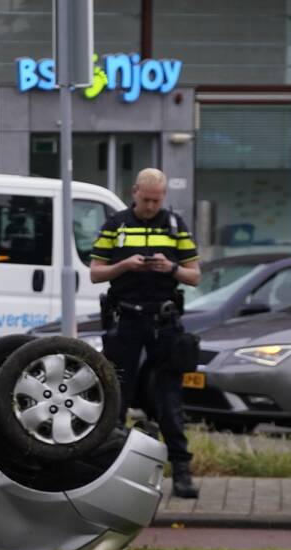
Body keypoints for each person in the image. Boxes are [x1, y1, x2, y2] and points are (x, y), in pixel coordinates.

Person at [89, 168, 202, 498]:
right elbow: (96, 273)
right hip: (126, 319)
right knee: (117, 394)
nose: (151, 205)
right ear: (134, 192)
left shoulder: (175, 225)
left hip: (164, 321)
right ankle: (106, 470)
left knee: (169, 398)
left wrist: (172, 269)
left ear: (163, 196)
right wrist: (125, 266)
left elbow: (195, 277)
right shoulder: (116, 225)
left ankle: (181, 472)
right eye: (146, 198)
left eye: (157, 199)